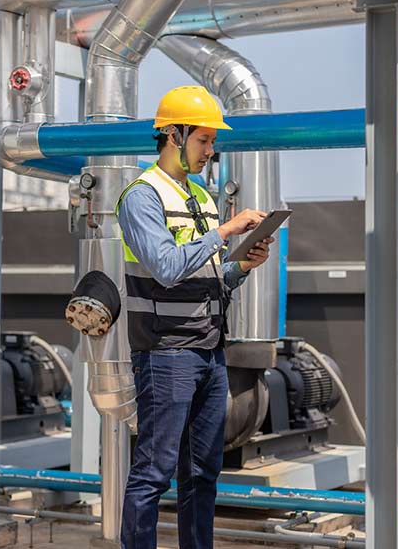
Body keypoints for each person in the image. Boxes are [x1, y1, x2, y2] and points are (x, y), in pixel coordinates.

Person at [115, 85, 274, 549]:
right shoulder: (141, 197)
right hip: (165, 352)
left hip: (209, 351)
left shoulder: (202, 197)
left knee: (204, 472)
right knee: (153, 471)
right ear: (173, 135)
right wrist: (225, 230)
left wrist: (240, 267)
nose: (210, 149)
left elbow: (207, 275)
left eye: (211, 141)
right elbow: (165, 267)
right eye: (203, 139)